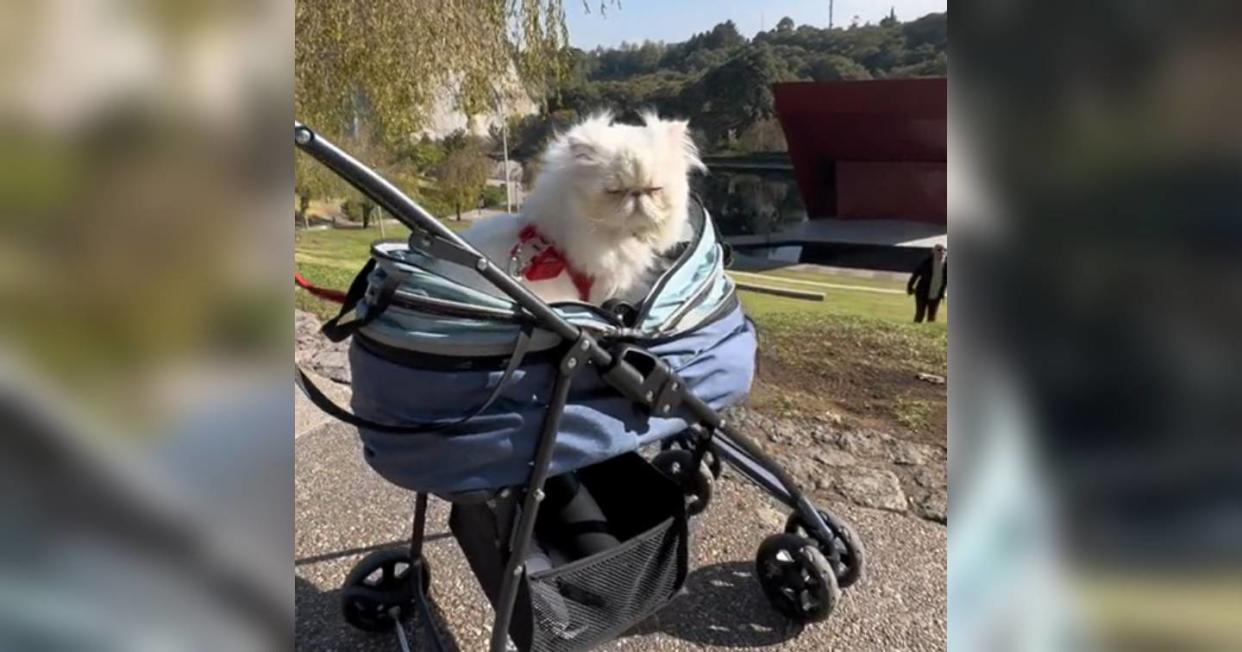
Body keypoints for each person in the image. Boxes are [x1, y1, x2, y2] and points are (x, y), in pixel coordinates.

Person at [908, 243, 948, 323]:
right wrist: (910, 287)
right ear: (933, 251)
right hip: (922, 292)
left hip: (936, 295)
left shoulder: (946, 266)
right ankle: (915, 332)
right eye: (939, 250)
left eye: (944, 250)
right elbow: (915, 275)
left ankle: (928, 334)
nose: (942, 252)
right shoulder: (926, 263)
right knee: (920, 315)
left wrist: (942, 293)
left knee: (932, 318)